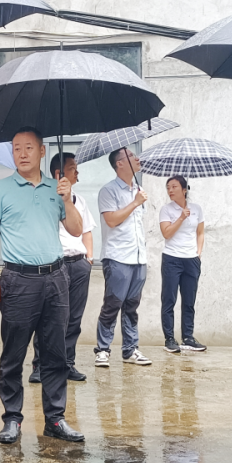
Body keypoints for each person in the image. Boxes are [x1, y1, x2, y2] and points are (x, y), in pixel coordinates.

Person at [0, 128, 85, 444]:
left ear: (42, 151)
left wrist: (67, 199)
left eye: (28, 147)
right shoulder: (0, 190)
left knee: (55, 353)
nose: (22, 153)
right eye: (16, 148)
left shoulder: (58, 188)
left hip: (56, 278)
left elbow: (76, 229)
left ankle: (55, 419)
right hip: (18, 280)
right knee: (13, 354)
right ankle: (12, 419)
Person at [28, 152, 95, 383]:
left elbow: (86, 231)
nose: (77, 171)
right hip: (55, 265)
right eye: (73, 167)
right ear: (59, 173)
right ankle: (40, 365)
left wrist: (89, 259)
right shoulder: (44, 197)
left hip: (79, 264)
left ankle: (67, 363)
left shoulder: (79, 200)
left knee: (74, 319)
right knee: (48, 318)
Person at [95, 148, 151, 368]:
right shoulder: (108, 191)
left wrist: (138, 199)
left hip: (138, 257)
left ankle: (131, 349)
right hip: (117, 256)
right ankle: (102, 349)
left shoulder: (139, 190)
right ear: (119, 163)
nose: (137, 158)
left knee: (131, 305)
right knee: (113, 303)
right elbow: (111, 220)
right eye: (131, 155)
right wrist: (135, 203)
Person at [159, 175, 207, 353]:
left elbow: (200, 233)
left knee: (189, 301)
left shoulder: (197, 209)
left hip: (191, 260)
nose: (170, 190)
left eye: (174, 187)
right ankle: (170, 339)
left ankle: (188, 337)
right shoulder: (166, 210)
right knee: (169, 299)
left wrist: (198, 253)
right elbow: (166, 233)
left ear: (184, 190)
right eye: (168, 187)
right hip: (172, 258)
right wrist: (180, 217)